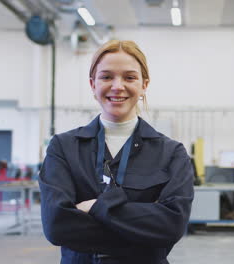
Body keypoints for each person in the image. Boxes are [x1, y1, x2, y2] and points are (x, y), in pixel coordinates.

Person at [39, 40, 194, 264]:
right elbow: (56, 225)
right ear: (93, 84)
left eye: (129, 77)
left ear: (144, 85)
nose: (117, 86)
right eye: (107, 77)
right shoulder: (63, 147)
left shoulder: (171, 153)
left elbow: (172, 225)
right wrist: (141, 229)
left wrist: (94, 207)